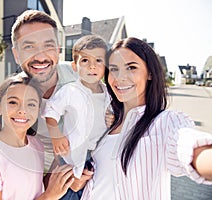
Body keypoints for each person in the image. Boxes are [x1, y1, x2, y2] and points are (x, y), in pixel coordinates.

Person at [80, 37, 212, 199]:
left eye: (131, 67)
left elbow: (189, 146)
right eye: (114, 69)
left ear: (149, 72)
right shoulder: (110, 125)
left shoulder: (164, 122)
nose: (120, 77)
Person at [0, 74, 75, 200]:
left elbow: (36, 186)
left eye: (31, 104)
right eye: (13, 102)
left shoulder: (36, 145)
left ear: (38, 111)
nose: (22, 110)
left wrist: (61, 162)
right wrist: (49, 197)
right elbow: (47, 195)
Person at [42, 34, 113, 199]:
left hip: (99, 156)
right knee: (69, 192)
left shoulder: (109, 93)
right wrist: (56, 135)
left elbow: (116, 119)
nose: (92, 67)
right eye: (85, 61)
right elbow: (51, 111)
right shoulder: (70, 91)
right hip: (73, 155)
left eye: (98, 61)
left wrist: (113, 120)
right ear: (75, 66)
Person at [11, 9, 78, 172]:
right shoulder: (14, 91)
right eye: (29, 46)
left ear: (58, 50)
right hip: (36, 171)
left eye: (48, 46)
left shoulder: (80, 76)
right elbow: (1, 134)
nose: (40, 57)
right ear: (16, 54)